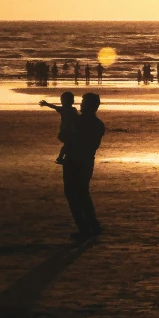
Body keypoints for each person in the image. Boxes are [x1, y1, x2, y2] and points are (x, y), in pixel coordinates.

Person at [61, 92, 105, 240]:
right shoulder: (99, 124)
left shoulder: (78, 121)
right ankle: (93, 225)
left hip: (74, 160)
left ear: (89, 105)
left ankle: (85, 228)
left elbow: (64, 138)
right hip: (87, 161)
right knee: (83, 193)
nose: (80, 104)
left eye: (83, 102)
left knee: (72, 194)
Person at [39, 92, 79, 164]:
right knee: (68, 144)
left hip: (67, 131)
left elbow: (54, 107)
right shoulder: (69, 109)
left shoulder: (66, 109)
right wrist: (46, 104)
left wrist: (46, 104)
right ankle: (60, 157)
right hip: (67, 131)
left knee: (68, 144)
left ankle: (63, 157)